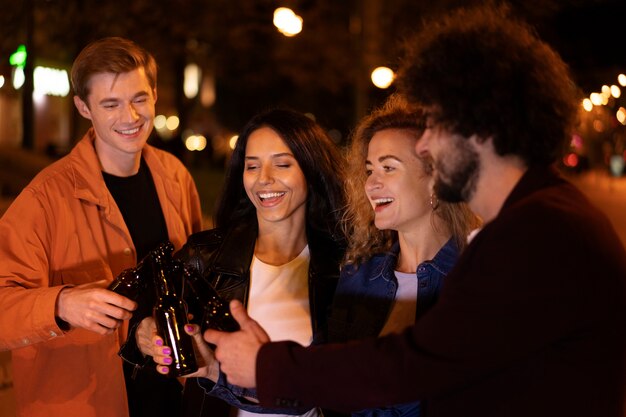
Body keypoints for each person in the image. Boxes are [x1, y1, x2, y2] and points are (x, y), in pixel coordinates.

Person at [202, 6, 626, 417]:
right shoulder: (539, 219)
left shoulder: (541, 232)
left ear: (482, 124)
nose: (425, 145)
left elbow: (416, 364)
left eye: (436, 123)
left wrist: (268, 366)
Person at [0, 37, 203, 417]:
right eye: (111, 104)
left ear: (155, 95)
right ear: (83, 107)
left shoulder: (175, 176)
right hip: (80, 403)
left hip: (171, 395)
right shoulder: (43, 198)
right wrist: (60, 304)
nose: (130, 117)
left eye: (139, 99)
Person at [123, 108, 347, 417]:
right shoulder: (203, 256)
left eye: (282, 164)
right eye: (252, 166)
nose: (264, 180)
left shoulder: (345, 265)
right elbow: (139, 322)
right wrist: (143, 334)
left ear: (311, 170)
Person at [325, 95, 479, 417]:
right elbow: (324, 386)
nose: (371, 183)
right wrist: (220, 372)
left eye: (388, 168)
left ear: (437, 181)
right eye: (369, 169)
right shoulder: (358, 276)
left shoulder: (476, 278)